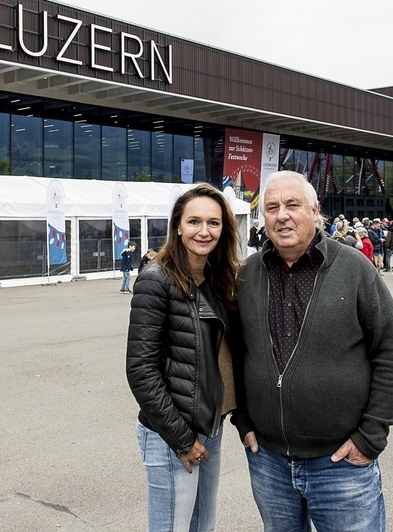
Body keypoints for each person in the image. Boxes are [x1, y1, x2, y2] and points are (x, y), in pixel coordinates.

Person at [232, 171, 393, 532]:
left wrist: (371, 435)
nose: (282, 215)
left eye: (292, 205)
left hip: (341, 463)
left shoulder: (353, 268)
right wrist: (243, 421)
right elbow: (236, 352)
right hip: (268, 461)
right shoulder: (247, 275)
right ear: (262, 218)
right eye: (272, 207)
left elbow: (392, 351)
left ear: (315, 211)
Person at [126, 185, 243, 532]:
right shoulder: (156, 279)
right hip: (172, 435)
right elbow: (141, 370)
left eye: (213, 222)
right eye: (194, 221)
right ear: (177, 225)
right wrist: (181, 439)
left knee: (201, 527)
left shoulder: (218, 278)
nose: (204, 231)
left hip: (211, 427)